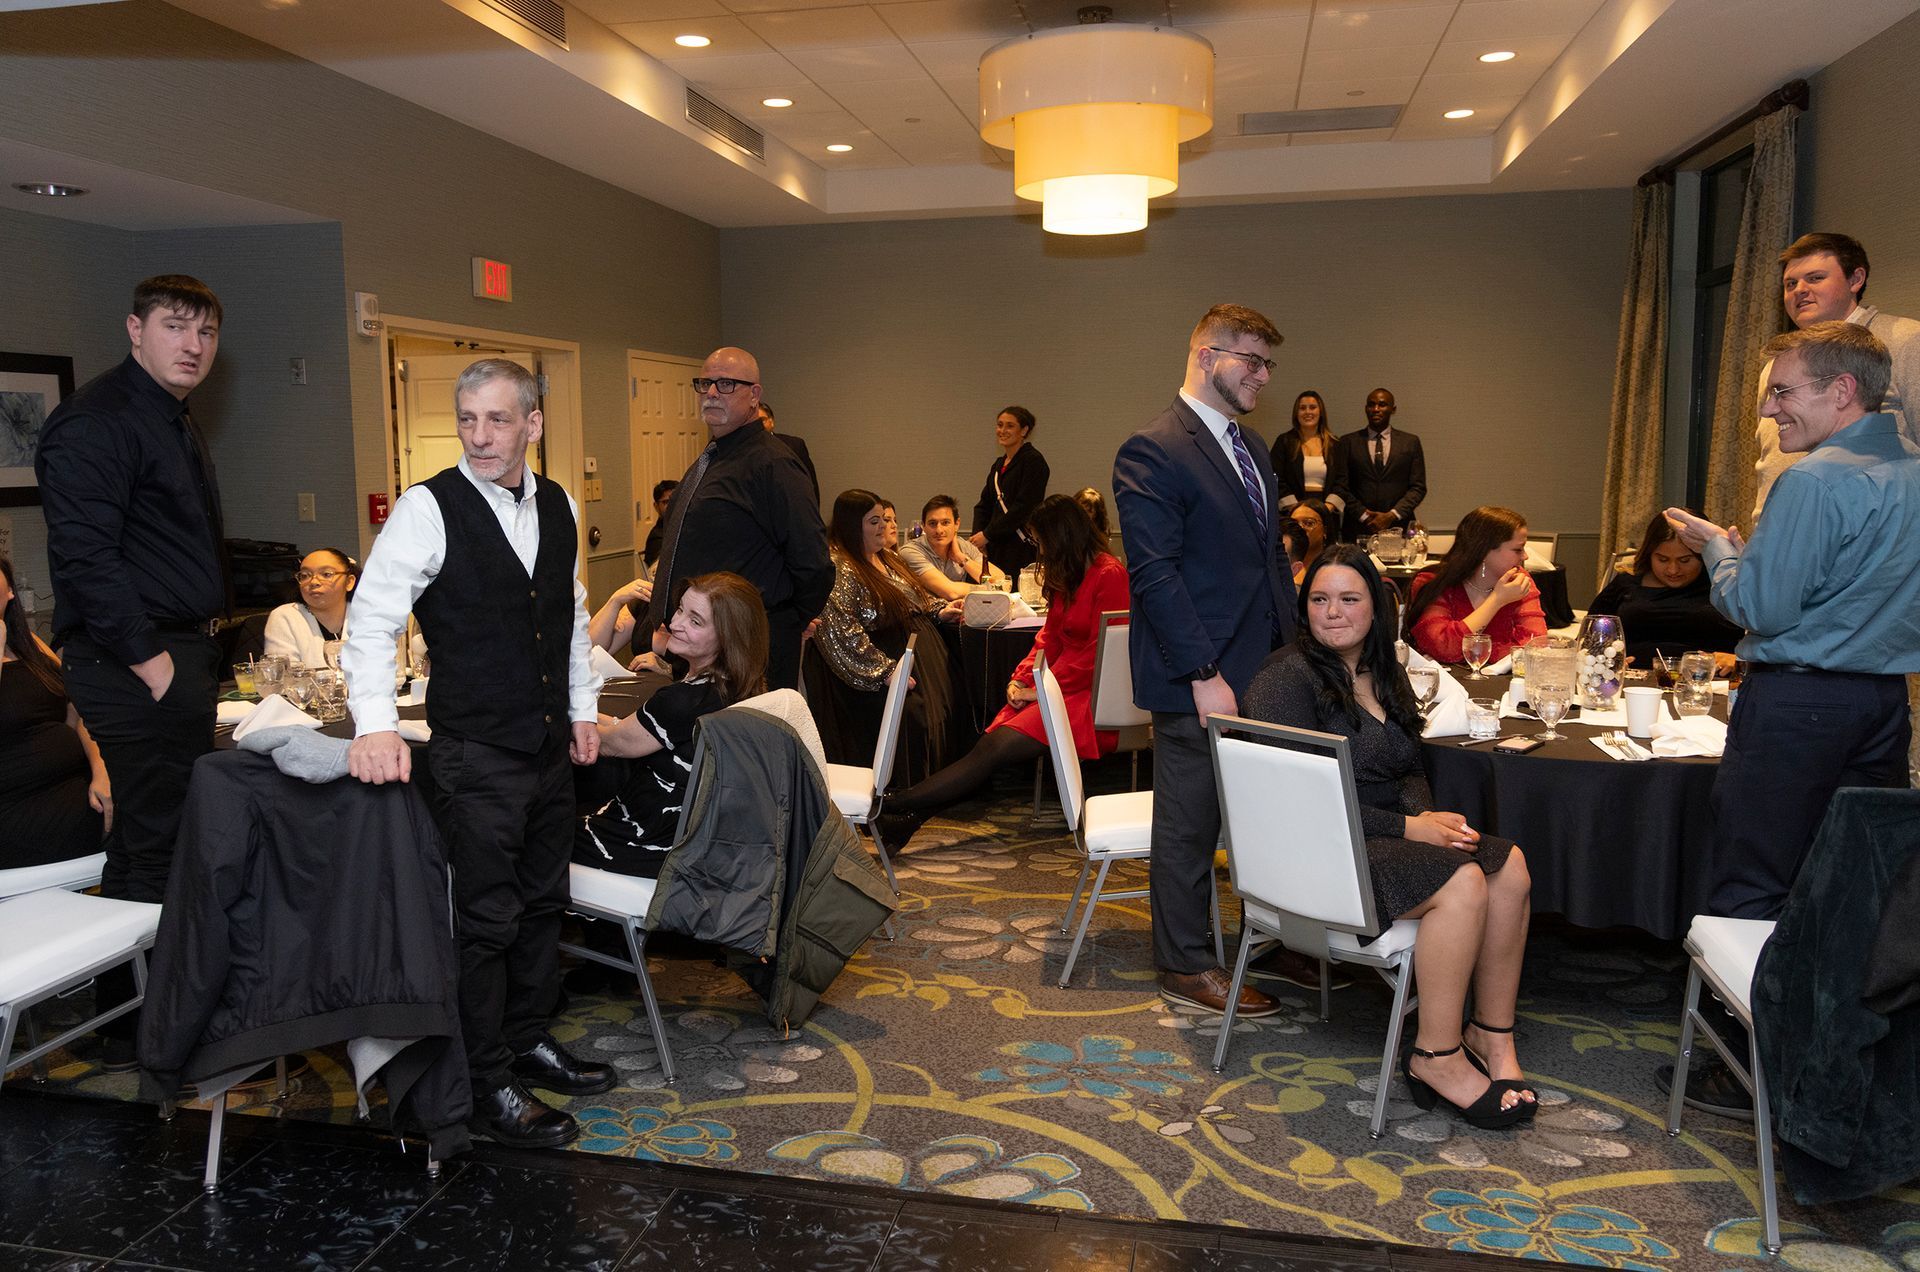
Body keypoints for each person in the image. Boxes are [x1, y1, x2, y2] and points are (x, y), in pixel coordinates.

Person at [342, 357, 613, 1149]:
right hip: (476, 753)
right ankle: (485, 1075)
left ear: (532, 424)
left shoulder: (558, 502)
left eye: (497, 420)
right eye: (468, 419)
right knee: (485, 921)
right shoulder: (428, 508)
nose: (480, 435)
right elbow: (370, 623)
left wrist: (582, 709)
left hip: (545, 747)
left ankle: (528, 1037)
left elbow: (567, 616)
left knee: (540, 905)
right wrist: (373, 724)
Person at [1244, 545, 1535, 1129]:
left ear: (1375, 609)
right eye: (1319, 599)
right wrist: (1410, 829)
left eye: (1349, 599)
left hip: (1380, 837)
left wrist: (1432, 825)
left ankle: (1492, 1033)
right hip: (1317, 853)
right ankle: (1436, 1054)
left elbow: (1406, 769)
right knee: (1463, 883)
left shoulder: (1384, 669)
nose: (1333, 612)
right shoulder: (1285, 680)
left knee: (1512, 866)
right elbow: (1303, 804)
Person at [35, 274, 228, 1071]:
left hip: (173, 652)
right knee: (155, 846)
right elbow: (85, 558)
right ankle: (141, 1024)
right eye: (176, 327)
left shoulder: (167, 416)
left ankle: (136, 1009)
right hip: (135, 659)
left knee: (162, 840)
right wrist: (152, 662)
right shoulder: (98, 420)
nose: (193, 345)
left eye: (206, 332)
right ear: (135, 330)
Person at [1666, 322, 1918, 923]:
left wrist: (1721, 555)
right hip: (1885, 703)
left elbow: (1761, 609)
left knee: (1754, 875)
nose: (1766, 408)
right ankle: (1824, 1012)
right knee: (1853, 879)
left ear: (1842, 390)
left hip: (1798, 704)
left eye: (1782, 392)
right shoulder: (1912, 469)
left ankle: (1745, 1017)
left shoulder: (1810, 481)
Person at [1113, 302, 1299, 1017]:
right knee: (1190, 826)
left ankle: (1278, 935)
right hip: (1201, 676)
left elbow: (1268, 563)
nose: (1261, 375)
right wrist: (1202, 675)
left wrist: (1298, 657)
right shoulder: (1153, 448)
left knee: (1258, 818)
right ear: (1205, 356)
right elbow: (1156, 575)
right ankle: (1186, 965)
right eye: (1250, 360)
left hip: (1264, 667)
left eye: (1266, 363)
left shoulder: (1249, 448)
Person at [878, 495, 1129, 843]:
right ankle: (908, 816)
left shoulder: (1109, 574)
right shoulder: (1068, 573)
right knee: (990, 746)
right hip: (1060, 687)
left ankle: (896, 804)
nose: (1040, 550)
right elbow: (1049, 637)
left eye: (1042, 542)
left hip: (1091, 693)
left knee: (994, 749)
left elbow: (1102, 654)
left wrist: (1042, 687)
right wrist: (1022, 677)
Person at [639, 348, 832, 690]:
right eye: (705, 383)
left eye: (726, 384)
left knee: (741, 743)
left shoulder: (773, 464)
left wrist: (778, 621)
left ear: (754, 395)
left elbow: (813, 563)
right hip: (703, 648)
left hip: (747, 650)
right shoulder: (714, 457)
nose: (711, 393)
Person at [577, 572, 766, 878]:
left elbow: (611, 742)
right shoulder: (736, 686)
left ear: (727, 636)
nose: (675, 624)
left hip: (651, 841)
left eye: (695, 621)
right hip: (698, 837)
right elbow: (636, 733)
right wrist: (589, 716)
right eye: (680, 610)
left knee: (541, 835)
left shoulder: (681, 700)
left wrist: (562, 711)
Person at [1752, 233, 1920, 521]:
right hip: (1782, 537)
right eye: (1790, 283)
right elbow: (1770, 460)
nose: (1799, 290)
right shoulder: (1776, 364)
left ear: (1856, 279)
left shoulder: (1907, 341)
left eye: (1815, 278)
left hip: (1866, 545)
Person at [803, 489, 967, 783]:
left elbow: (912, 597)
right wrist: (884, 671)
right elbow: (841, 632)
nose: (883, 527)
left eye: (884, 519)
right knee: (913, 717)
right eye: (873, 521)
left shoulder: (887, 557)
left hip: (916, 656)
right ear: (853, 526)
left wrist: (938, 611)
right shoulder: (840, 568)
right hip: (876, 669)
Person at [1, 557, 114, 870]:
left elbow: (77, 714)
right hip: (18, 810)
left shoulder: (30, 644)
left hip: (77, 788)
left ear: (10, 590)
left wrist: (100, 769)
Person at [1587, 511, 1743, 672]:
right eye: (1662, 559)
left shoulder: (1724, 585)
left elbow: (1758, 643)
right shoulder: (1625, 584)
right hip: (1633, 683)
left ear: (1703, 555)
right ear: (1649, 554)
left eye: (1685, 560)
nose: (1673, 570)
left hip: (1708, 684)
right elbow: (1588, 642)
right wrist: (1605, 660)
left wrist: (1737, 659)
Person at [1406, 506, 1546, 665]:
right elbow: (1443, 647)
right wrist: (1496, 600)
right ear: (1484, 550)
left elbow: (1536, 647)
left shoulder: (1518, 581)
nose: (1525, 556)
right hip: (1445, 685)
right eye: (1518, 549)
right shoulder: (1434, 581)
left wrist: (1474, 653)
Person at [1327, 388, 1426, 540]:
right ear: (1365, 408)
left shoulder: (1410, 442)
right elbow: (1341, 486)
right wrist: (1364, 515)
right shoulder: (1348, 442)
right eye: (1371, 405)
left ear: (1393, 409)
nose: (1376, 409)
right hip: (1357, 527)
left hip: (1398, 526)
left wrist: (1392, 515)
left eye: (1382, 405)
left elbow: (1418, 487)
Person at [971, 405, 1050, 577]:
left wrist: (987, 534)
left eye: (1010, 426)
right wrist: (978, 538)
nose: (1002, 430)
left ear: (1024, 430)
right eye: (1000, 425)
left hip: (1020, 547)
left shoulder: (1034, 462)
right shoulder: (998, 465)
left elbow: (1024, 508)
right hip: (995, 546)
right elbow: (984, 505)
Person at [899, 494, 1005, 600]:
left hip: (958, 612)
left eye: (945, 523)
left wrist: (962, 559)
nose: (939, 530)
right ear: (923, 526)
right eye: (932, 523)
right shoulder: (910, 552)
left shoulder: (963, 546)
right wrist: (988, 588)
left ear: (956, 524)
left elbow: (1001, 580)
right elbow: (950, 592)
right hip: (925, 614)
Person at [263, 548, 357, 667]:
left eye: (326, 574)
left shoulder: (367, 615)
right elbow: (285, 677)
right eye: (305, 575)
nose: (314, 582)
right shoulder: (285, 616)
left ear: (349, 582)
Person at [1269, 390, 1347, 524]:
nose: (1307, 412)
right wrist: (1297, 510)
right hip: (1292, 514)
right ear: (1296, 413)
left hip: (1326, 513)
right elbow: (1276, 478)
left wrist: (1326, 509)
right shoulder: (1284, 442)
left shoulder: (1334, 444)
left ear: (1320, 411)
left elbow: (1342, 480)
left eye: (1312, 407)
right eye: (1302, 408)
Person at [758, 399, 818, 505]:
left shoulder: (794, 445)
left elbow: (810, 482)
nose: (759, 426)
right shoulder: (743, 450)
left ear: (771, 421)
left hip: (794, 506)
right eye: (755, 423)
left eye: (762, 420)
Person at [1288, 498, 1334, 586]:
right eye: (1294, 524)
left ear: (1325, 530)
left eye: (1309, 523)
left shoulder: (1336, 566)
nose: (1300, 528)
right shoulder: (1280, 564)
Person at [641, 479, 677, 569]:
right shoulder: (657, 538)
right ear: (656, 506)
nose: (671, 506)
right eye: (666, 502)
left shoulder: (687, 528)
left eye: (675, 500)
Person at [1073, 486, 1113, 552]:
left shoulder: (1099, 539)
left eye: (1088, 511)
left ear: (1097, 515)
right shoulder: (1068, 531)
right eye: (1080, 510)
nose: (1082, 515)